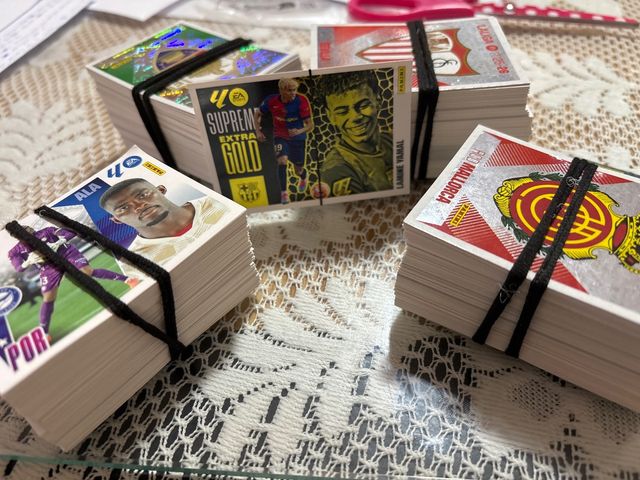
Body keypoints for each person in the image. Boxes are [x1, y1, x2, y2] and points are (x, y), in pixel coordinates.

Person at [8, 226, 139, 339]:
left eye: (27, 228)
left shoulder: (46, 231)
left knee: (87, 272)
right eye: (23, 230)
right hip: (48, 267)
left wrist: (60, 241)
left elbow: (70, 233)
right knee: (48, 297)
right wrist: (28, 261)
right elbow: (19, 268)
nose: (28, 229)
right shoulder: (15, 251)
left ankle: (128, 280)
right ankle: (44, 331)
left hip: (67, 254)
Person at [99, 178, 226, 276]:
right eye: (124, 208)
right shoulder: (134, 265)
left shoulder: (219, 202)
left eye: (142, 195)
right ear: (117, 220)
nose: (139, 206)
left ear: (161, 190)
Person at [319, 70, 394, 197]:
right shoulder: (337, 170)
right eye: (342, 112)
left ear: (378, 100)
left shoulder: (391, 140)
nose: (355, 117)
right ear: (330, 116)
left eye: (363, 105)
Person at [254, 78, 314, 204]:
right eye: (290, 90)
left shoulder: (301, 100)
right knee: (282, 161)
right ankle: (284, 194)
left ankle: (303, 176)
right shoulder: (271, 100)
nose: (293, 93)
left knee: (298, 169)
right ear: (282, 90)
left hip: (298, 138)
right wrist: (258, 131)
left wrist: (299, 131)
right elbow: (257, 113)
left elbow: (310, 125)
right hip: (280, 136)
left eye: (295, 90)